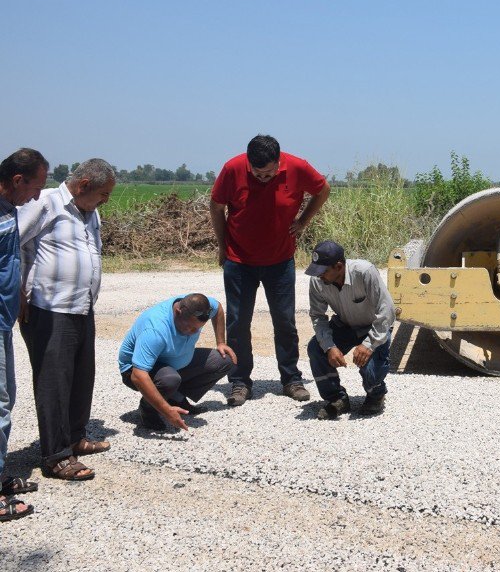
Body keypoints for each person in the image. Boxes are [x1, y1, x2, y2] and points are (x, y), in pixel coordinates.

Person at [210, 135, 330, 407]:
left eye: (269, 173)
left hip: (280, 260)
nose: (263, 178)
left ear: (280, 161)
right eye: (257, 173)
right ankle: (239, 382)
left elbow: (323, 190)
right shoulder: (232, 168)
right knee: (238, 323)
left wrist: (303, 221)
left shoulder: (298, 168)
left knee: (285, 321)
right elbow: (216, 206)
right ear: (248, 163)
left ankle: (291, 379)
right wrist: (222, 245)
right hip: (239, 261)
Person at [18, 158, 115, 481]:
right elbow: (11, 244)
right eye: (103, 194)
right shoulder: (45, 204)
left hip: (81, 306)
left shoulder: (91, 212)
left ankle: (76, 437)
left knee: (80, 378)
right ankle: (57, 456)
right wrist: (19, 291)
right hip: (49, 308)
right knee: (54, 384)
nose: (106, 201)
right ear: (84, 185)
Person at [0, 149, 47, 522]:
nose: (36, 197)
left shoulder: (9, 209)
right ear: (18, 180)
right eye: (34, 188)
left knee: (7, 397)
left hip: (3, 321)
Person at [119, 293, 236, 431]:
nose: (194, 332)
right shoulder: (155, 329)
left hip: (173, 361)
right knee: (169, 379)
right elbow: (138, 375)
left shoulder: (201, 307)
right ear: (177, 312)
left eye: (198, 328)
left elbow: (218, 308)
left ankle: (176, 398)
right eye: (190, 327)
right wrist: (166, 410)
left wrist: (221, 342)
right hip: (135, 370)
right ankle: (148, 410)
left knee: (224, 360)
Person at [305, 240, 395, 419]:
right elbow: (318, 316)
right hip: (345, 325)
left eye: (323, 271)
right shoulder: (317, 281)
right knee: (316, 349)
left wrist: (368, 345)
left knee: (371, 370)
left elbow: (387, 311)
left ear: (338, 266)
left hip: (374, 328)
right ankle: (337, 398)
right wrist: (330, 346)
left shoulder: (364, 272)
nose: (319, 276)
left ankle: (376, 395)